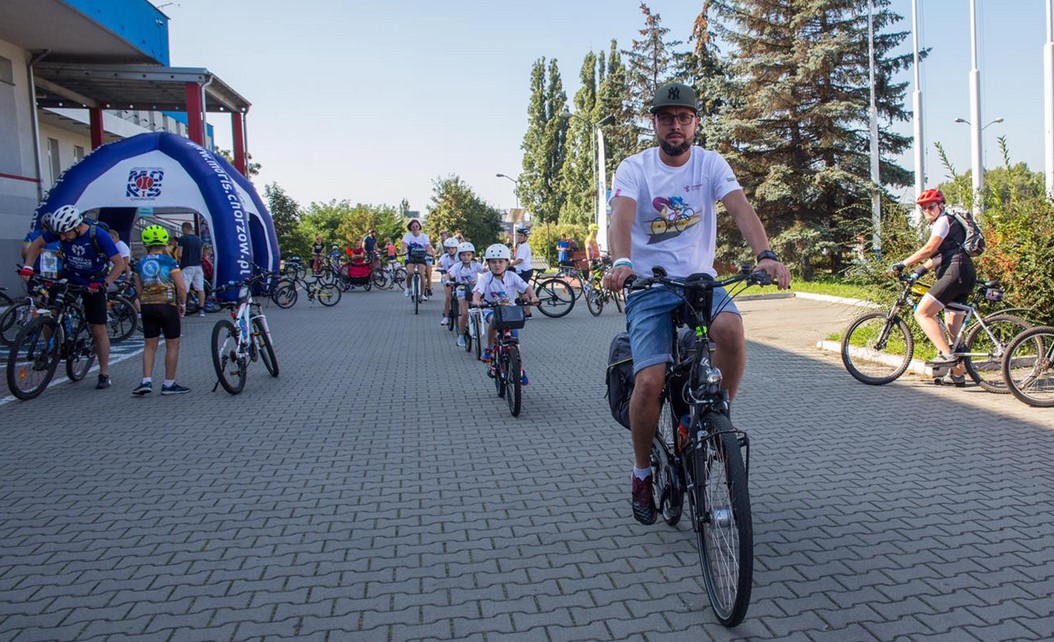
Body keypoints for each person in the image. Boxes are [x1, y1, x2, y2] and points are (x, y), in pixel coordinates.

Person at [602, 82, 791, 525]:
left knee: (732, 331)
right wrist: (622, 262)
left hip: (699, 282)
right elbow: (622, 217)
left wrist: (765, 254)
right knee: (649, 382)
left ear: (695, 123)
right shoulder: (635, 168)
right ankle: (642, 473)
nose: (675, 126)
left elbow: (741, 208)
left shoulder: (711, 164)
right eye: (666, 118)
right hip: (648, 286)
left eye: (683, 118)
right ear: (654, 123)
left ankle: (715, 414)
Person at [21, 205, 129, 389]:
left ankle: (104, 372)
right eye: (60, 234)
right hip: (69, 276)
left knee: (98, 329)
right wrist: (29, 267)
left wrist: (105, 283)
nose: (62, 238)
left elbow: (119, 264)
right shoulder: (62, 231)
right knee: (50, 314)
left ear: (78, 227)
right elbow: (37, 245)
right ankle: (53, 349)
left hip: (94, 283)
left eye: (65, 234)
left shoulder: (99, 236)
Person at [891, 188, 977, 387]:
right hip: (963, 273)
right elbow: (937, 257)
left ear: (941, 206)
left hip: (955, 273)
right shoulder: (945, 223)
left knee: (922, 313)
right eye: (923, 209)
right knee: (952, 330)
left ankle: (947, 356)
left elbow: (929, 249)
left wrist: (903, 263)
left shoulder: (943, 221)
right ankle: (957, 374)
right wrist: (917, 273)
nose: (927, 211)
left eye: (930, 206)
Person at [132, 225, 189, 396]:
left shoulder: (140, 263)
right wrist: (183, 304)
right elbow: (181, 287)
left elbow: (139, 289)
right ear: (164, 242)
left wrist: (144, 302)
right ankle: (169, 384)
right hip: (167, 305)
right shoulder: (170, 262)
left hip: (148, 306)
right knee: (172, 344)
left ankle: (146, 381)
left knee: (150, 345)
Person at [471, 243, 540, 384]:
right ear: (488, 264)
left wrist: (533, 297)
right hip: (492, 309)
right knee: (493, 320)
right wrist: (477, 301)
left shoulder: (512, 276)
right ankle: (490, 348)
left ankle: (519, 369)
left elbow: (527, 287)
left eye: (501, 261)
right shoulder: (486, 277)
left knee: (515, 342)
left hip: (510, 310)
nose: (497, 265)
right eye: (493, 262)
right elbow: (477, 292)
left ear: (507, 262)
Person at [445, 242, 486, 347]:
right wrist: (447, 280)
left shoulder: (475, 265)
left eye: (468, 255)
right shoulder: (457, 266)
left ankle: (477, 323)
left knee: (479, 307)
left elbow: (486, 271)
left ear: (472, 255)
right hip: (462, 289)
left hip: (474, 289)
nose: (466, 257)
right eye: (463, 255)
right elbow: (448, 275)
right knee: (464, 313)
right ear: (459, 256)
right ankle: (461, 335)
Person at [177, 221, 206, 317]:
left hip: (187, 266)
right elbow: (202, 255)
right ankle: (201, 310)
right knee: (200, 288)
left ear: (185, 228)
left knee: (184, 288)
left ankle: (183, 309)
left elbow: (179, 254)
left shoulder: (182, 239)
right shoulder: (199, 240)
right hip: (198, 266)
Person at [400, 219, 433, 300]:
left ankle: (422, 294)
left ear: (419, 227)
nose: (415, 228)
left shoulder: (424, 236)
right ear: (410, 227)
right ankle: (407, 288)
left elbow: (427, 245)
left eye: (416, 226)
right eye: (413, 226)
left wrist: (429, 252)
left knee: (422, 273)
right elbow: (404, 244)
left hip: (421, 257)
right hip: (410, 257)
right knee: (410, 272)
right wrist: (402, 251)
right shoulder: (408, 235)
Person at [510, 227, 534, 317]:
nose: (519, 237)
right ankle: (523, 310)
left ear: (525, 237)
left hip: (524, 270)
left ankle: (528, 313)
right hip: (521, 270)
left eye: (521, 235)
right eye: (518, 235)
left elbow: (520, 259)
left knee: (524, 291)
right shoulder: (521, 246)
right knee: (520, 291)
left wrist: (510, 265)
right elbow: (517, 258)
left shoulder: (524, 246)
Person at [437, 237, 460, 325]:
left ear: (456, 248)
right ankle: (446, 317)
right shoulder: (444, 257)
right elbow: (439, 264)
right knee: (448, 297)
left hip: (458, 278)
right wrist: (440, 268)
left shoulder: (459, 256)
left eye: (452, 248)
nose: (450, 250)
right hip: (448, 279)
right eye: (448, 248)